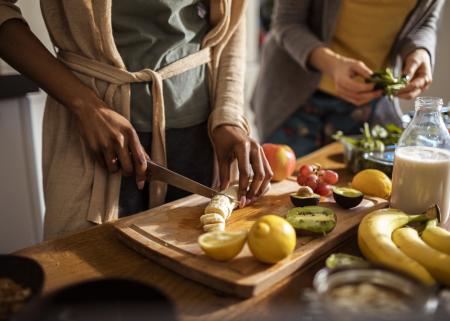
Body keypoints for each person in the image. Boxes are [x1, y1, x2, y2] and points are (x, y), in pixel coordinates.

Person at [0, 0, 272, 238]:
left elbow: (233, 20)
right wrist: (85, 105)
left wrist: (229, 116)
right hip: (95, 141)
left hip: (203, 140)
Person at [252, 0, 445, 156]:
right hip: (293, 100)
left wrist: (420, 51)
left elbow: (425, 21)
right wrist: (332, 64)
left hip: (369, 105)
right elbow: (287, 22)